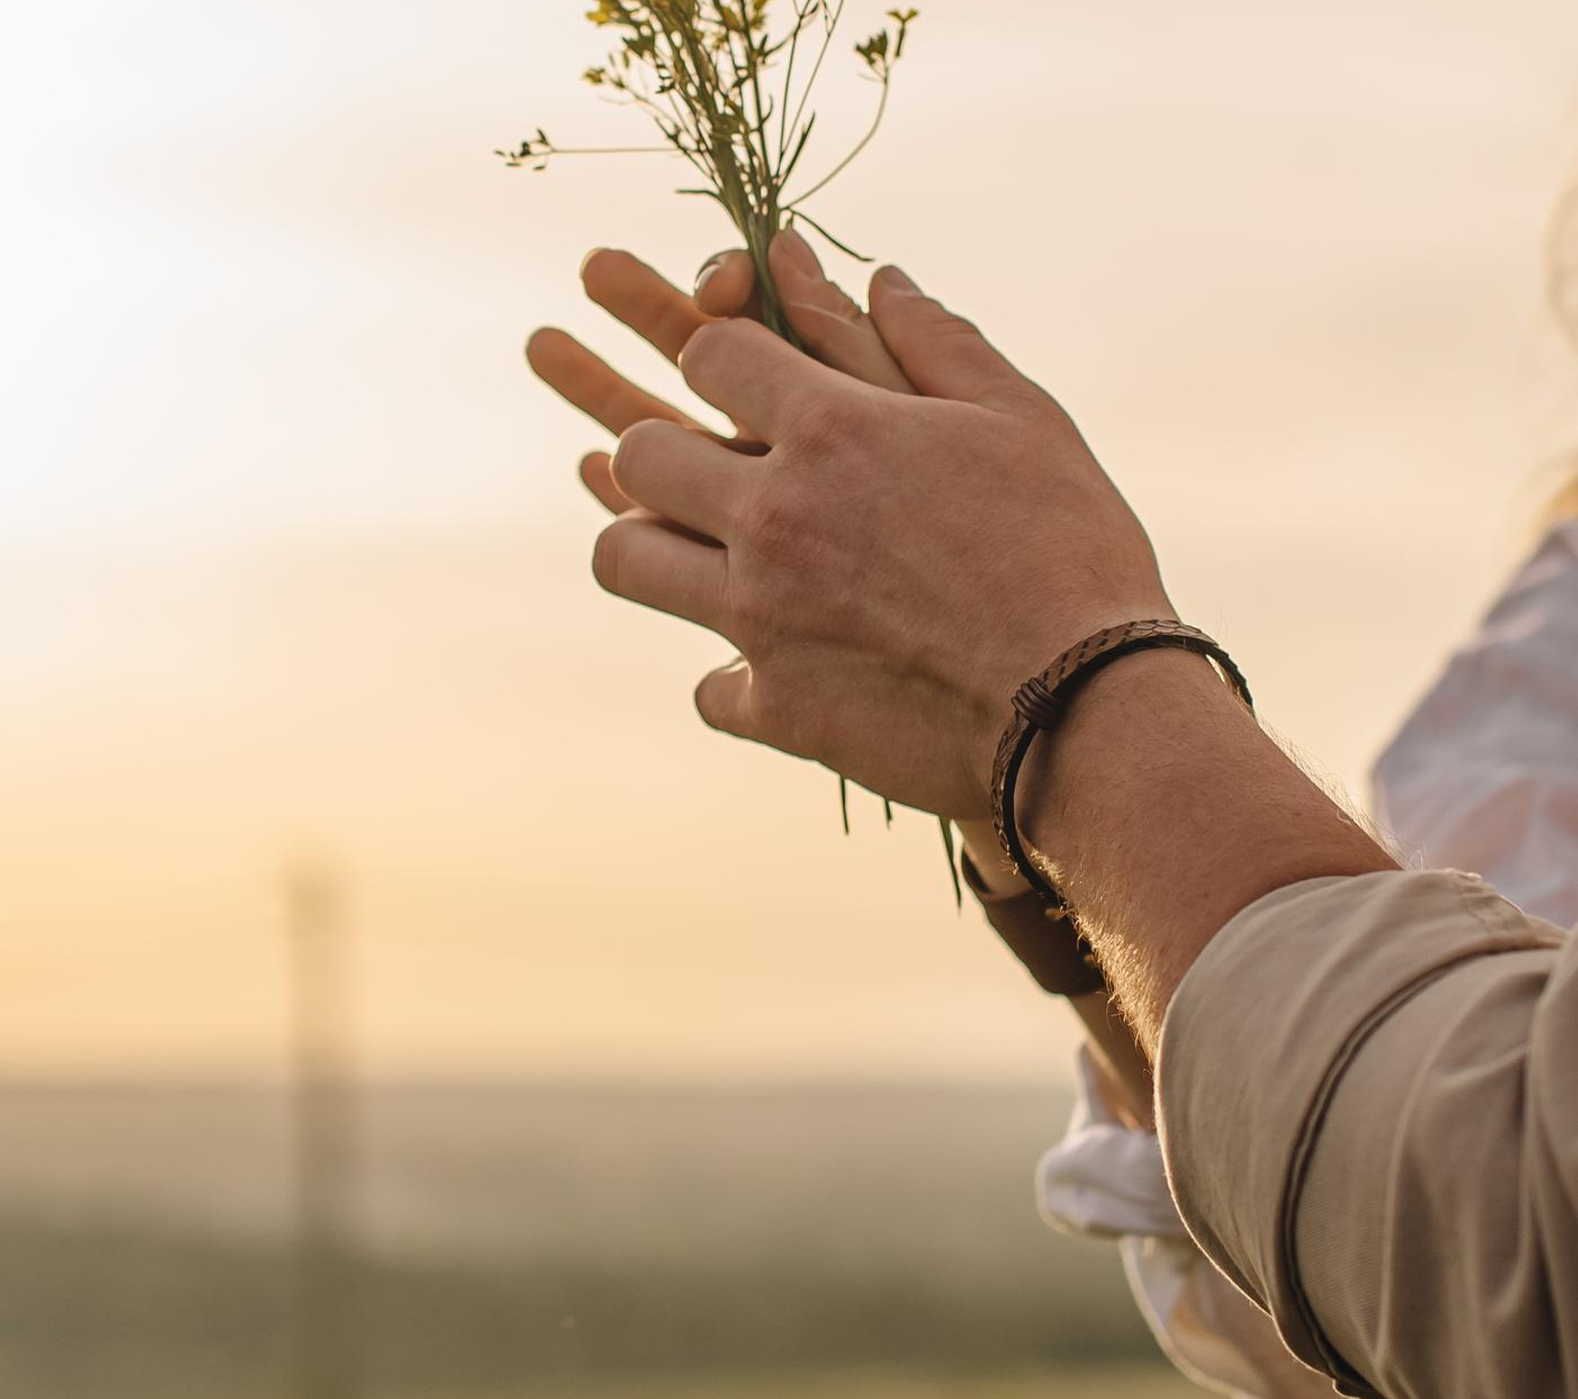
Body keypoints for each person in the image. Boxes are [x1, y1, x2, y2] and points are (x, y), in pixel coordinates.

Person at [527, 227, 1578, 1399]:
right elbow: (1353, 1284)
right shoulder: (1549, 630)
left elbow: (1499, 1213)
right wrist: (1004, 782)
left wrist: (1047, 673)